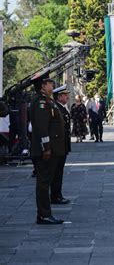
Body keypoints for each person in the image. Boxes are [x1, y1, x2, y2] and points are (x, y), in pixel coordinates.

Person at [30, 73, 65, 224]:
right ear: (43, 86)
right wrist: (46, 148)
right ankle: (44, 214)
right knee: (44, 183)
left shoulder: (48, 101)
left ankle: (45, 213)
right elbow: (42, 128)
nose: (52, 85)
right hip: (46, 151)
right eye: (49, 83)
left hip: (52, 149)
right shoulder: (41, 102)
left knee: (46, 182)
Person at [51, 85, 71, 205]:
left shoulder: (61, 108)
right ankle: (55, 196)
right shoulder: (56, 108)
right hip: (58, 146)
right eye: (65, 95)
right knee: (56, 172)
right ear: (59, 97)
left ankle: (57, 194)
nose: (67, 97)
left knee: (59, 171)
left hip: (63, 145)